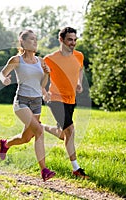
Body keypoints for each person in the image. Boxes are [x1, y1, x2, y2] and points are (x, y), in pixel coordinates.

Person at [0, 29, 55, 182]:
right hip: (21, 101)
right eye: (31, 39)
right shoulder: (16, 60)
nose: (35, 42)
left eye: (36, 39)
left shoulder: (41, 61)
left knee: (26, 138)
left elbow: (42, 85)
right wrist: (5, 80)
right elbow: (2, 73)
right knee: (39, 131)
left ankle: (6, 144)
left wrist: (47, 75)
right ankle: (44, 170)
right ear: (22, 42)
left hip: (37, 102)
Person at [42, 27, 89, 179]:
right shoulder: (49, 59)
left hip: (71, 99)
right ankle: (76, 168)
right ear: (61, 40)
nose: (73, 43)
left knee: (63, 135)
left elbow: (80, 70)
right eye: (70, 39)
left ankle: (41, 127)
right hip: (55, 99)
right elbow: (41, 78)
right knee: (70, 131)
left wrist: (79, 83)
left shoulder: (79, 56)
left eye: (75, 40)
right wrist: (44, 92)